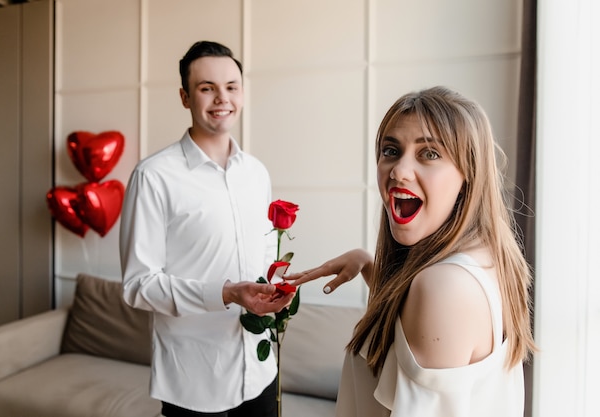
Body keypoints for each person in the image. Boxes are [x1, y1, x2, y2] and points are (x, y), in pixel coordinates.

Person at [288, 86, 536, 416]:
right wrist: (367, 264)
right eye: (391, 150)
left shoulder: (444, 286)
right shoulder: (487, 260)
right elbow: (410, 334)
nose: (398, 171)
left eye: (429, 153)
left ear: (469, 174)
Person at [119, 40, 294, 417]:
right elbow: (137, 286)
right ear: (185, 97)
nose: (222, 98)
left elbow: (265, 255)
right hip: (193, 382)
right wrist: (227, 293)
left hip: (261, 372)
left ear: (242, 93)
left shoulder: (256, 173)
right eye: (206, 88)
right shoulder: (153, 177)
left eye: (231, 87)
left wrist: (276, 289)